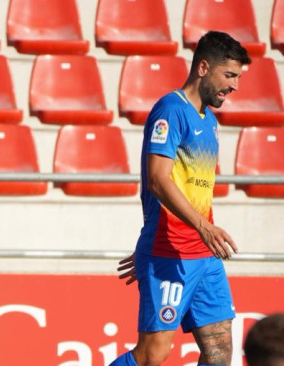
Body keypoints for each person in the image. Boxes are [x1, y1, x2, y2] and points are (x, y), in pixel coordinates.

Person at [109, 31, 250, 366]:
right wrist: (161, 240)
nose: (235, 87)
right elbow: (158, 179)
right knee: (152, 355)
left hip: (204, 255)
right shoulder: (170, 110)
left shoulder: (210, 121)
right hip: (170, 252)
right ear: (203, 67)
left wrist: (199, 230)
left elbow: (187, 186)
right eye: (229, 76)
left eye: (239, 78)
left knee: (219, 353)